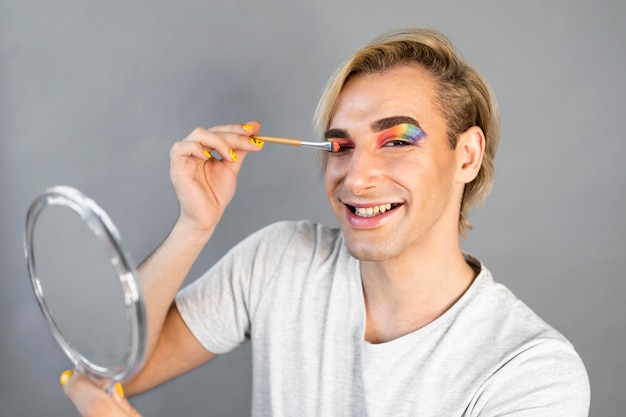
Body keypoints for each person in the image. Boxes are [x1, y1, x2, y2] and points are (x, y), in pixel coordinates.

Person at [62, 27, 590, 416]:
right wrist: (193, 225)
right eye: (341, 146)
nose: (357, 178)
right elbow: (118, 369)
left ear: (467, 156)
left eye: (398, 140)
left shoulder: (531, 373)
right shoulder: (281, 262)